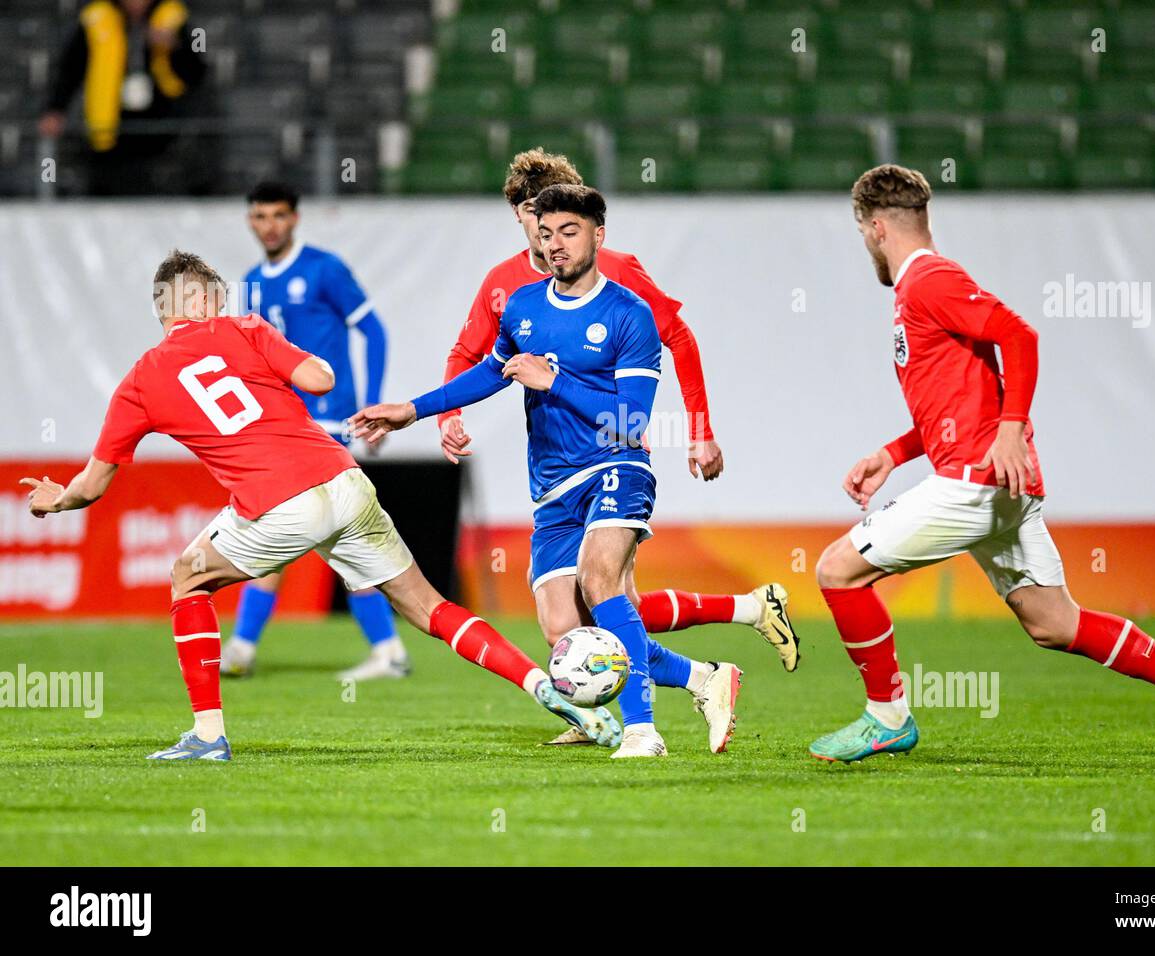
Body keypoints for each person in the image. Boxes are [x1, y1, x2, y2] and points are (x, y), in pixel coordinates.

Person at [20, 250, 619, 761]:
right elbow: (321, 380)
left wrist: (58, 499)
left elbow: (93, 485)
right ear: (203, 302)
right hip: (344, 480)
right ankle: (552, 692)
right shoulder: (247, 329)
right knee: (430, 607)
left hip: (280, 502)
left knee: (186, 578)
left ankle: (208, 735)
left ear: (167, 309)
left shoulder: (140, 380)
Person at [807, 164, 1155, 772]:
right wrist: (893, 454)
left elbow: (1020, 336)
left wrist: (1012, 430)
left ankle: (887, 718)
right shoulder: (924, 288)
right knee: (1055, 623)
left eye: (862, 234)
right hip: (995, 486)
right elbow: (959, 401)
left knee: (837, 570)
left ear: (877, 227)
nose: (866, 246)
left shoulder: (928, 281)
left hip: (976, 484)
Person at [353, 186, 737, 758]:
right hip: (552, 483)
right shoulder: (525, 307)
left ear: (598, 236)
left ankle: (642, 731)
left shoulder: (628, 313)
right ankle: (705, 679)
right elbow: (488, 371)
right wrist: (413, 410)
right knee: (564, 630)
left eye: (569, 232)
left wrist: (552, 381)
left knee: (601, 580)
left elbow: (631, 422)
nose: (555, 244)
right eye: (547, 232)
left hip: (616, 465)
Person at [440, 149, 800, 740]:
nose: (542, 227)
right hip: (554, 471)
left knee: (602, 593)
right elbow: (470, 354)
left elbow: (677, 337)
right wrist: (445, 413)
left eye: (555, 214)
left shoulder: (617, 273)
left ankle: (639, 722)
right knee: (575, 619)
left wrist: (699, 430)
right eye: (531, 213)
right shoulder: (504, 286)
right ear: (518, 216)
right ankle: (743, 619)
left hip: (613, 454)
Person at [220, 181, 403, 683]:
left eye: (279, 214)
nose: (269, 225)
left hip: (328, 425)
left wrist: (372, 400)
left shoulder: (325, 269)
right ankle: (387, 650)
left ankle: (243, 647)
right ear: (250, 221)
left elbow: (375, 329)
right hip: (282, 429)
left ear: (295, 218)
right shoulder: (251, 283)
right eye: (260, 216)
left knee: (296, 530)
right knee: (309, 533)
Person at [40, 0, 206, 196]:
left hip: (164, 134)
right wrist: (55, 108)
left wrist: (176, 46)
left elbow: (198, 69)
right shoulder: (96, 17)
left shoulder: (175, 15)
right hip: (109, 131)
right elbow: (71, 68)